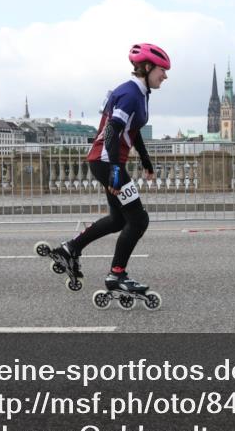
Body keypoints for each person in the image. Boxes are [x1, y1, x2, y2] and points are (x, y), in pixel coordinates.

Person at [49, 43, 170, 297]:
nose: (165, 76)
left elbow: (131, 132)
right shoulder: (130, 94)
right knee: (138, 219)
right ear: (147, 67)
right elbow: (114, 130)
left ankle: (71, 248)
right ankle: (117, 274)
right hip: (106, 161)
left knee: (118, 219)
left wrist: (146, 162)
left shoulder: (140, 93)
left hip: (106, 161)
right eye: (162, 70)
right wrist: (115, 170)